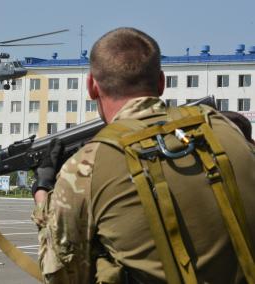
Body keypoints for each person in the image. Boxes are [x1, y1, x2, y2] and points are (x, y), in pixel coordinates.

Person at [31, 27, 255, 283]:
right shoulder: (224, 129)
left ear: (92, 86)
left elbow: (62, 274)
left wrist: (43, 192)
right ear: (161, 82)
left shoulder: (85, 166)